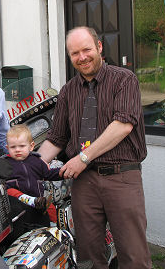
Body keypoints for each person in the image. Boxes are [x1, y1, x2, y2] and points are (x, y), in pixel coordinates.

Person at [38, 26, 152, 268]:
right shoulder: (68, 91)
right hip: (84, 184)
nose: (82, 57)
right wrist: (29, 166)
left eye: (87, 49)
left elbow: (123, 125)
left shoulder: (124, 80)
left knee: (133, 256)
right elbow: (56, 138)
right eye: (75, 53)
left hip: (122, 177)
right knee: (89, 257)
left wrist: (83, 157)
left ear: (99, 47)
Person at [4, 124, 61, 222]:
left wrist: (63, 172)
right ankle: (30, 201)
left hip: (38, 199)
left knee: (51, 208)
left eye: (22, 146)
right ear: (7, 148)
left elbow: (48, 174)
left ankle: (54, 228)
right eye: (13, 147)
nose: (17, 149)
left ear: (31, 146)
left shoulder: (36, 161)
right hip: (18, 203)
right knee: (9, 191)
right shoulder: (5, 164)